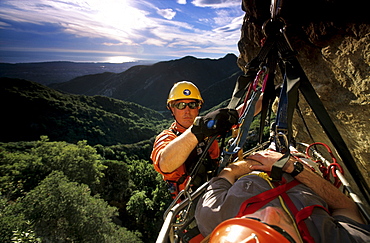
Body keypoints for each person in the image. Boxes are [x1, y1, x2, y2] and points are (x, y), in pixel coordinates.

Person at [195, 150, 370, 242]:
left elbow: (226, 174)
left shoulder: (210, 216)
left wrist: (253, 163)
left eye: (251, 221)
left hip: (254, 166)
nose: (271, 212)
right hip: (301, 168)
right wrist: (291, 167)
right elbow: (346, 207)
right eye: (279, 232)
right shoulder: (337, 239)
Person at [150, 81, 239, 197]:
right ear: (172, 109)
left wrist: (263, 96)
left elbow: (239, 114)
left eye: (192, 105)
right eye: (180, 105)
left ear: (198, 107)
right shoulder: (168, 137)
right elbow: (165, 163)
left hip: (215, 192)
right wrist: (199, 130)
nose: (187, 111)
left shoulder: (208, 133)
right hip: (188, 205)